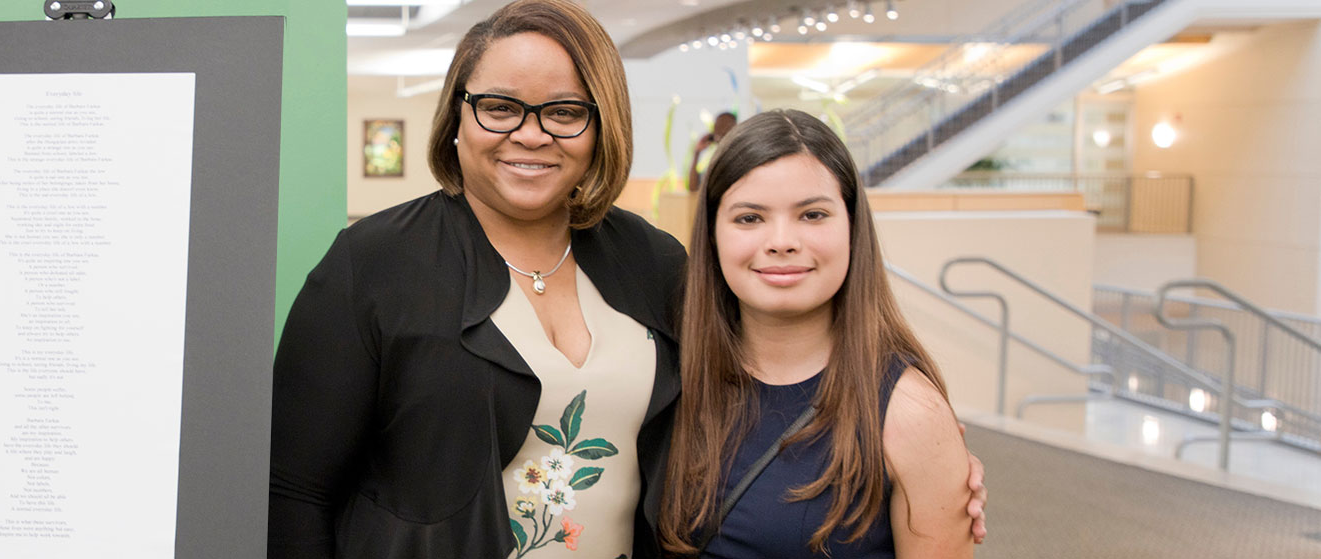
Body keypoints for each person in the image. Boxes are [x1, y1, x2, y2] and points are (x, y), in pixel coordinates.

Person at [269, 2, 985, 558]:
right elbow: (295, 491)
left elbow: (771, 376)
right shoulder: (373, 265)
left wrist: (921, 449)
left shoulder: (652, 262)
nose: (530, 133)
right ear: (457, 114)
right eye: (499, 106)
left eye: (564, 112)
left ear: (600, 126)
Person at [654, 109, 976, 558]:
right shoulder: (668, 378)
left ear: (852, 227)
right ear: (712, 235)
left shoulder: (909, 413)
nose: (782, 241)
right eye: (749, 218)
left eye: (812, 214)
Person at [685, 111, 736, 194]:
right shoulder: (712, 160)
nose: (721, 130)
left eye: (725, 125)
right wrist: (697, 153)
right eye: (718, 126)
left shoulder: (738, 156)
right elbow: (693, 187)